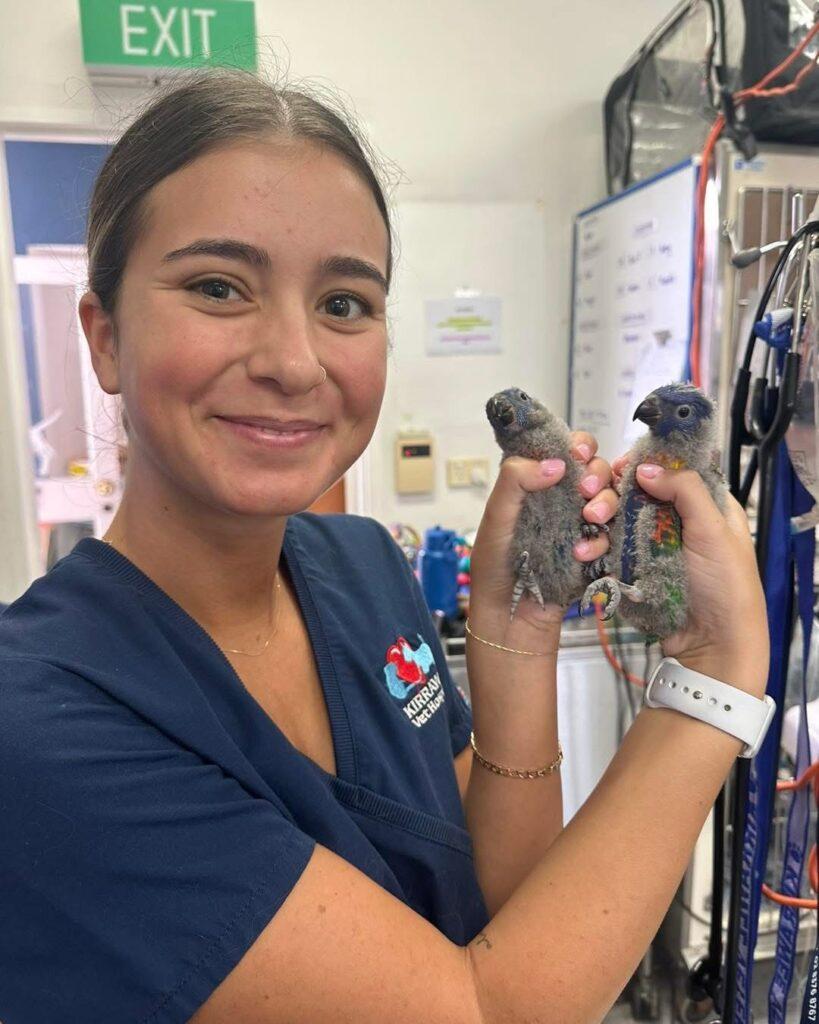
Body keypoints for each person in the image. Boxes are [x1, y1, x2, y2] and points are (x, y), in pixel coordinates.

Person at [0, 67, 768, 1024]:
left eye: (344, 304)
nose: (291, 360)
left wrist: (516, 630)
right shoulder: (37, 721)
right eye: (217, 286)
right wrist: (711, 678)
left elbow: (514, 917)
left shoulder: (359, 567)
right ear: (105, 336)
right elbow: (486, 1008)